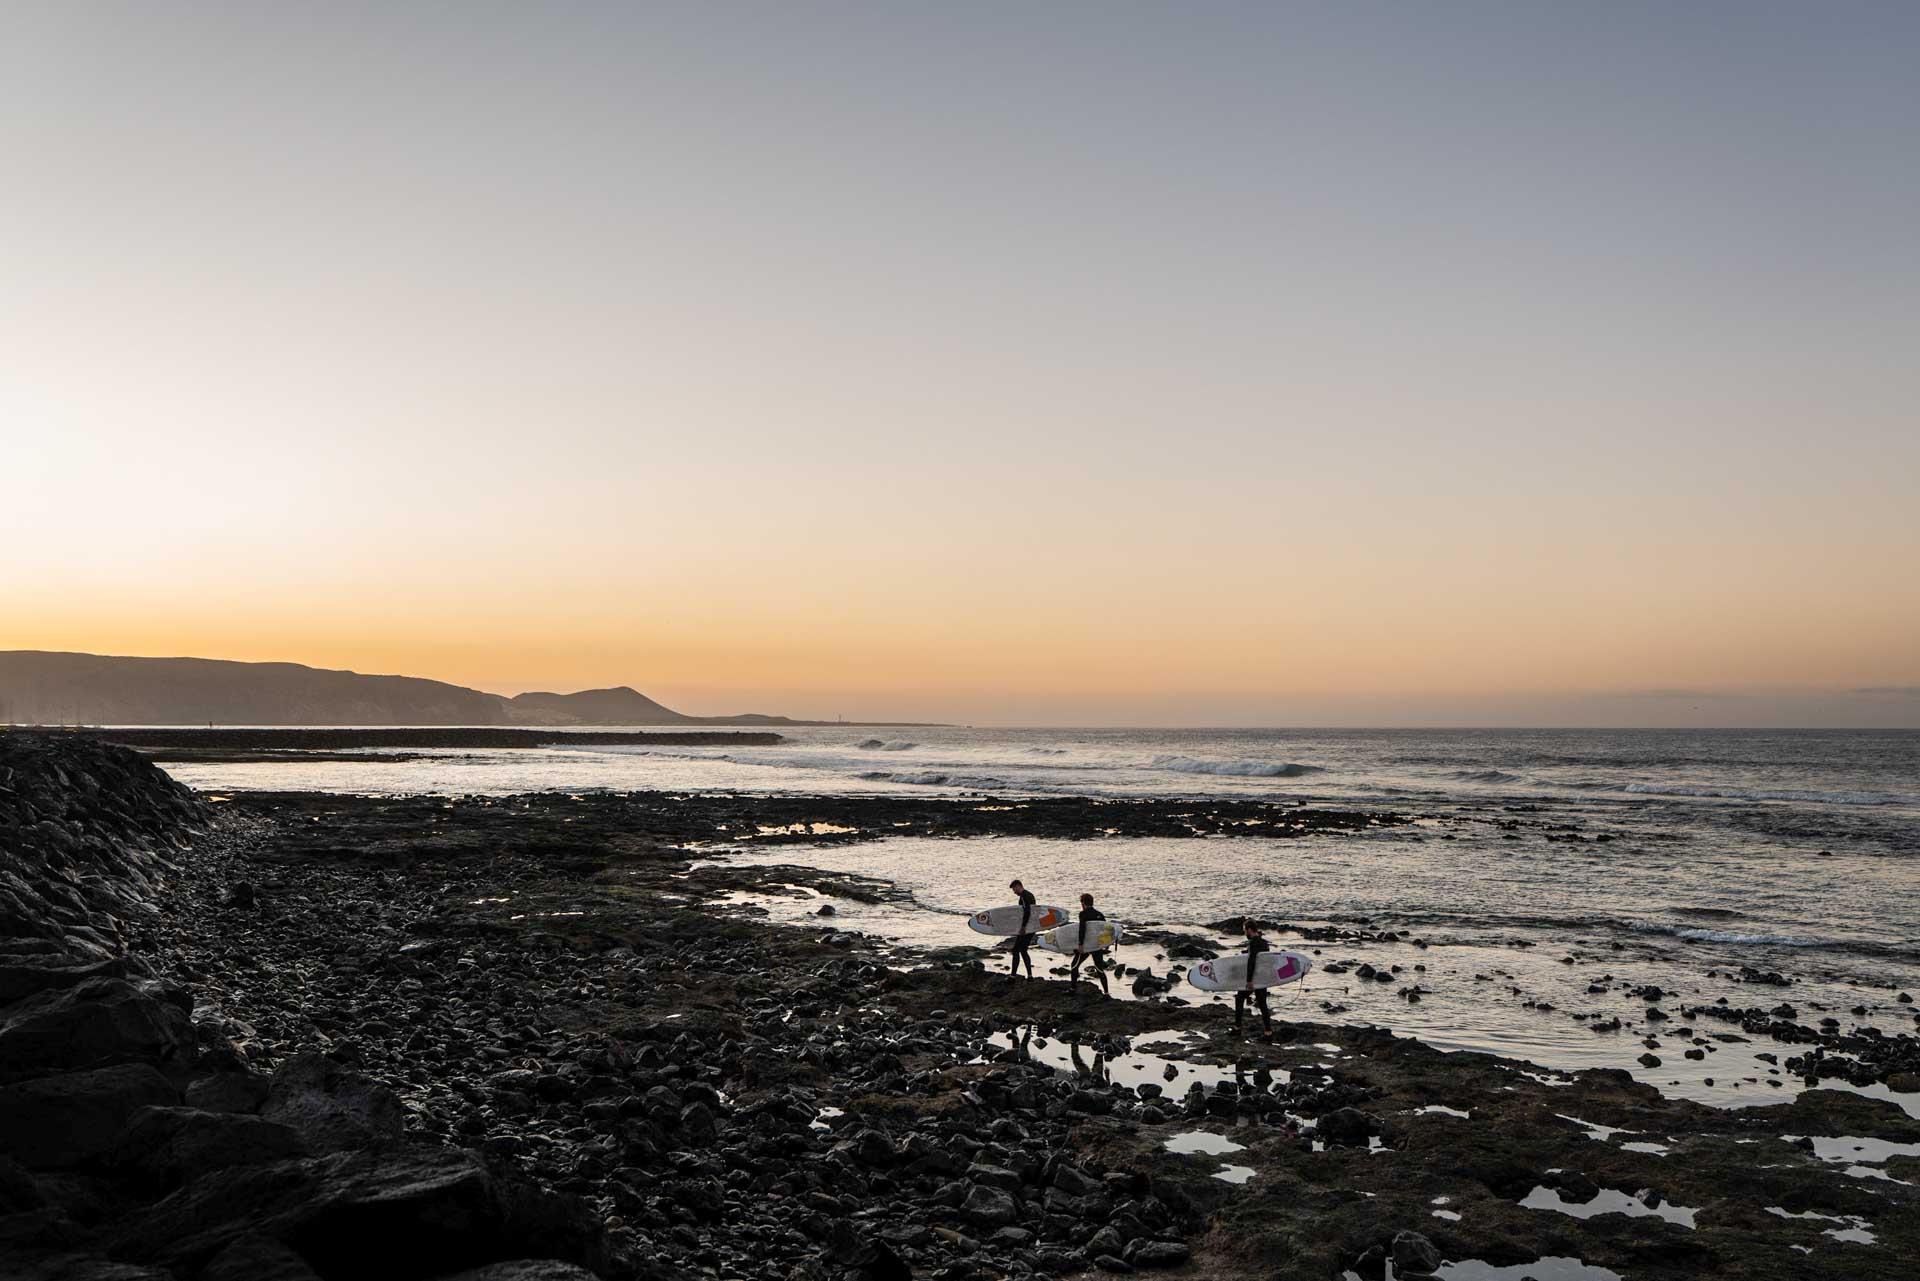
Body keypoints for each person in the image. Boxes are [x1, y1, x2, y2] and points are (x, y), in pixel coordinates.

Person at [1234, 918, 1273, 1038]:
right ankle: (1268, 1032)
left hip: (1254, 978)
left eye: (1245, 931)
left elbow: (1252, 961)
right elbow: (1264, 961)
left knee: (1239, 998)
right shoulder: (1264, 943)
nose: (1245, 934)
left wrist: (1249, 980)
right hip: (1263, 977)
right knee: (1262, 1005)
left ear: (1249, 930)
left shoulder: (1253, 943)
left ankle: (1237, 1028)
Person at [1069, 892, 1111, 995]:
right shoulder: (1099, 914)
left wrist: (1080, 945)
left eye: (1081, 902)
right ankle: (1106, 993)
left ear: (1083, 903)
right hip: (1096, 945)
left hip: (1087, 945)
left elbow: (1082, 929)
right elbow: (1105, 930)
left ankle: (1073, 989)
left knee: (1074, 966)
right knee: (1100, 969)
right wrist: (1106, 944)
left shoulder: (1083, 914)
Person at [1007, 879, 1037, 980]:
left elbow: (1027, 912)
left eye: (1014, 889)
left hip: (1026, 928)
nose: (1014, 892)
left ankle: (1013, 976)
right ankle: (1030, 975)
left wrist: (1023, 927)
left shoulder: (1024, 896)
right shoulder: (1030, 895)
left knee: (1016, 950)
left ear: (1018, 886)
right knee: (1023, 950)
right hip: (1032, 927)